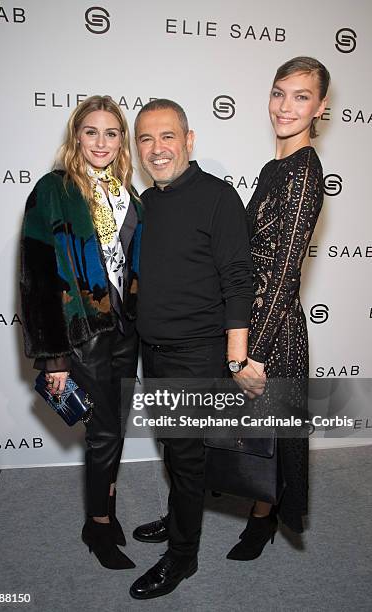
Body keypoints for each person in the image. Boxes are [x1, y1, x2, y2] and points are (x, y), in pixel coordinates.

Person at [129, 99, 254, 600]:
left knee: (185, 455)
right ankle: (178, 513)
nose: (157, 149)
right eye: (146, 139)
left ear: (189, 139)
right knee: (172, 447)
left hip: (196, 353)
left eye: (167, 137)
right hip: (153, 349)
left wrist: (236, 356)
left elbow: (238, 278)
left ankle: (183, 556)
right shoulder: (146, 201)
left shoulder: (218, 198)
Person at [20, 95, 141, 570]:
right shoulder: (54, 189)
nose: (101, 142)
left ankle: (104, 511)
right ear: (76, 136)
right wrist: (54, 358)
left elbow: (130, 266)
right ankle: (98, 525)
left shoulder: (125, 192)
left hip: (125, 330)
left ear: (121, 142)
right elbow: (37, 277)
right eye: (91, 131)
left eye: (112, 133)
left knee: (112, 431)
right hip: (81, 333)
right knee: (104, 432)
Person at [228, 56, 330, 560]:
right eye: (278, 93)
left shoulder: (305, 173)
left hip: (276, 332)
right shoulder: (275, 167)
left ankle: (262, 519)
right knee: (253, 428)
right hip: (258, 320)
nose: (285, 107)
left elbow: (284, 272)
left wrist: (255, 353)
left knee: (268, 431)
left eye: (301, 96)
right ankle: (257, 512)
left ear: (320, 107)